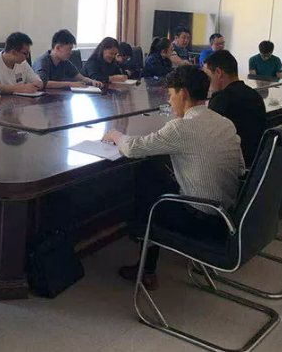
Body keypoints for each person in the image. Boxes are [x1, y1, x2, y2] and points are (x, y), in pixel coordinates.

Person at [103, 66, 244, 289]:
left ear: (183, 93)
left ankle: (146, 266)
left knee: (146, 177)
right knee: (157, 174)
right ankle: (147, 263)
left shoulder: (181, 128)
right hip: (227, 216)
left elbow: (133, 148)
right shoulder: (225, 123)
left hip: (200, 220)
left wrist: (115, 135)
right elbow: (240, 168)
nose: (169, 101)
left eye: (170, 95)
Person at [204, 50, 267, 166]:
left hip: (234, 166)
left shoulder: (221, 100)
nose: (208, 83)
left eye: (209, 77)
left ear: (218, 72)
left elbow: (206, 140)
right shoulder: (254, 95)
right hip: (256, 163)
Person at [32, 29, 103, 89]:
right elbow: (44, 83)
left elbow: (81, 78)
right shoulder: (42, 61)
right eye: (69, 49)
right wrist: (70, 84)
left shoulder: (64, 61)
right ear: (58, 47)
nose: (71, 52)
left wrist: (92, 81)